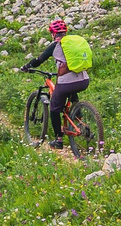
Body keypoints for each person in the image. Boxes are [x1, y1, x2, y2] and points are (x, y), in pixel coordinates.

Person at [19, 18, 92, 149]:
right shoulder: (73, 43)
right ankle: (78, 115)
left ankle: (58, 139)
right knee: (72, 91)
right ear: (65, 32)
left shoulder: (56, 45)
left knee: (54, 108)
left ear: (53, 34)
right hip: (83, 80)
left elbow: (38, 60)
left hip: (67, 83)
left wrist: (27, 66)